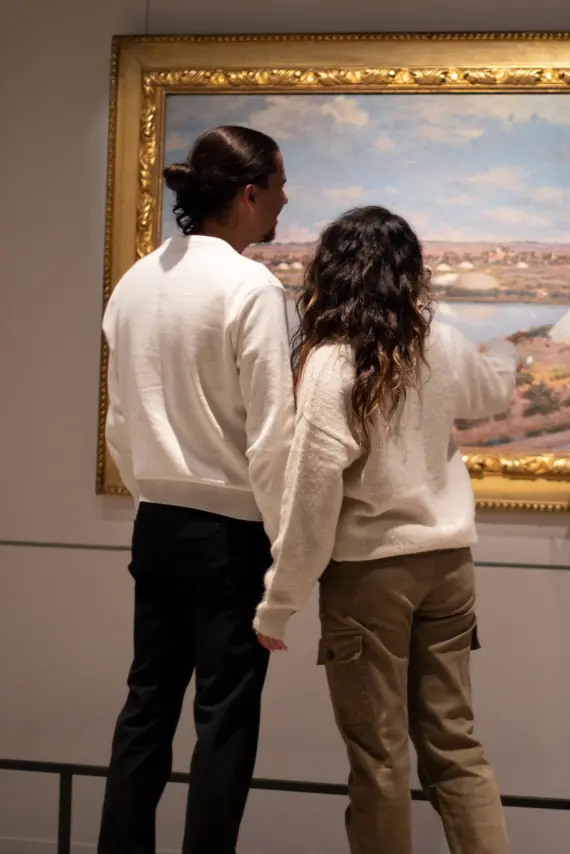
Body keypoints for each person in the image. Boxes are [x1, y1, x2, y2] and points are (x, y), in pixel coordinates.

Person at [254, 206, 517, 854]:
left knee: (379, 760)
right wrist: (509, 353)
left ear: (333, 273)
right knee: (455, 746)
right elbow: (492, 395)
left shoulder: (331, 364)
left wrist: (278, 603)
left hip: (370, 576)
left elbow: (311, 500)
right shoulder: (442, 342)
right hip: (449, 566)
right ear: (408, 272)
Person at [98, 126, 294, 854]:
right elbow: (274, 436)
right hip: (232, 532)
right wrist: (284, 548)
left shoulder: (137, 280)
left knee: (145, 706)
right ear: (248, 195)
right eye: (278, 182)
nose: (285, 196)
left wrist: (153, 486)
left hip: (156, 520)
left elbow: (119, 421)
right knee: (226, 719)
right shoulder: (253, 287)